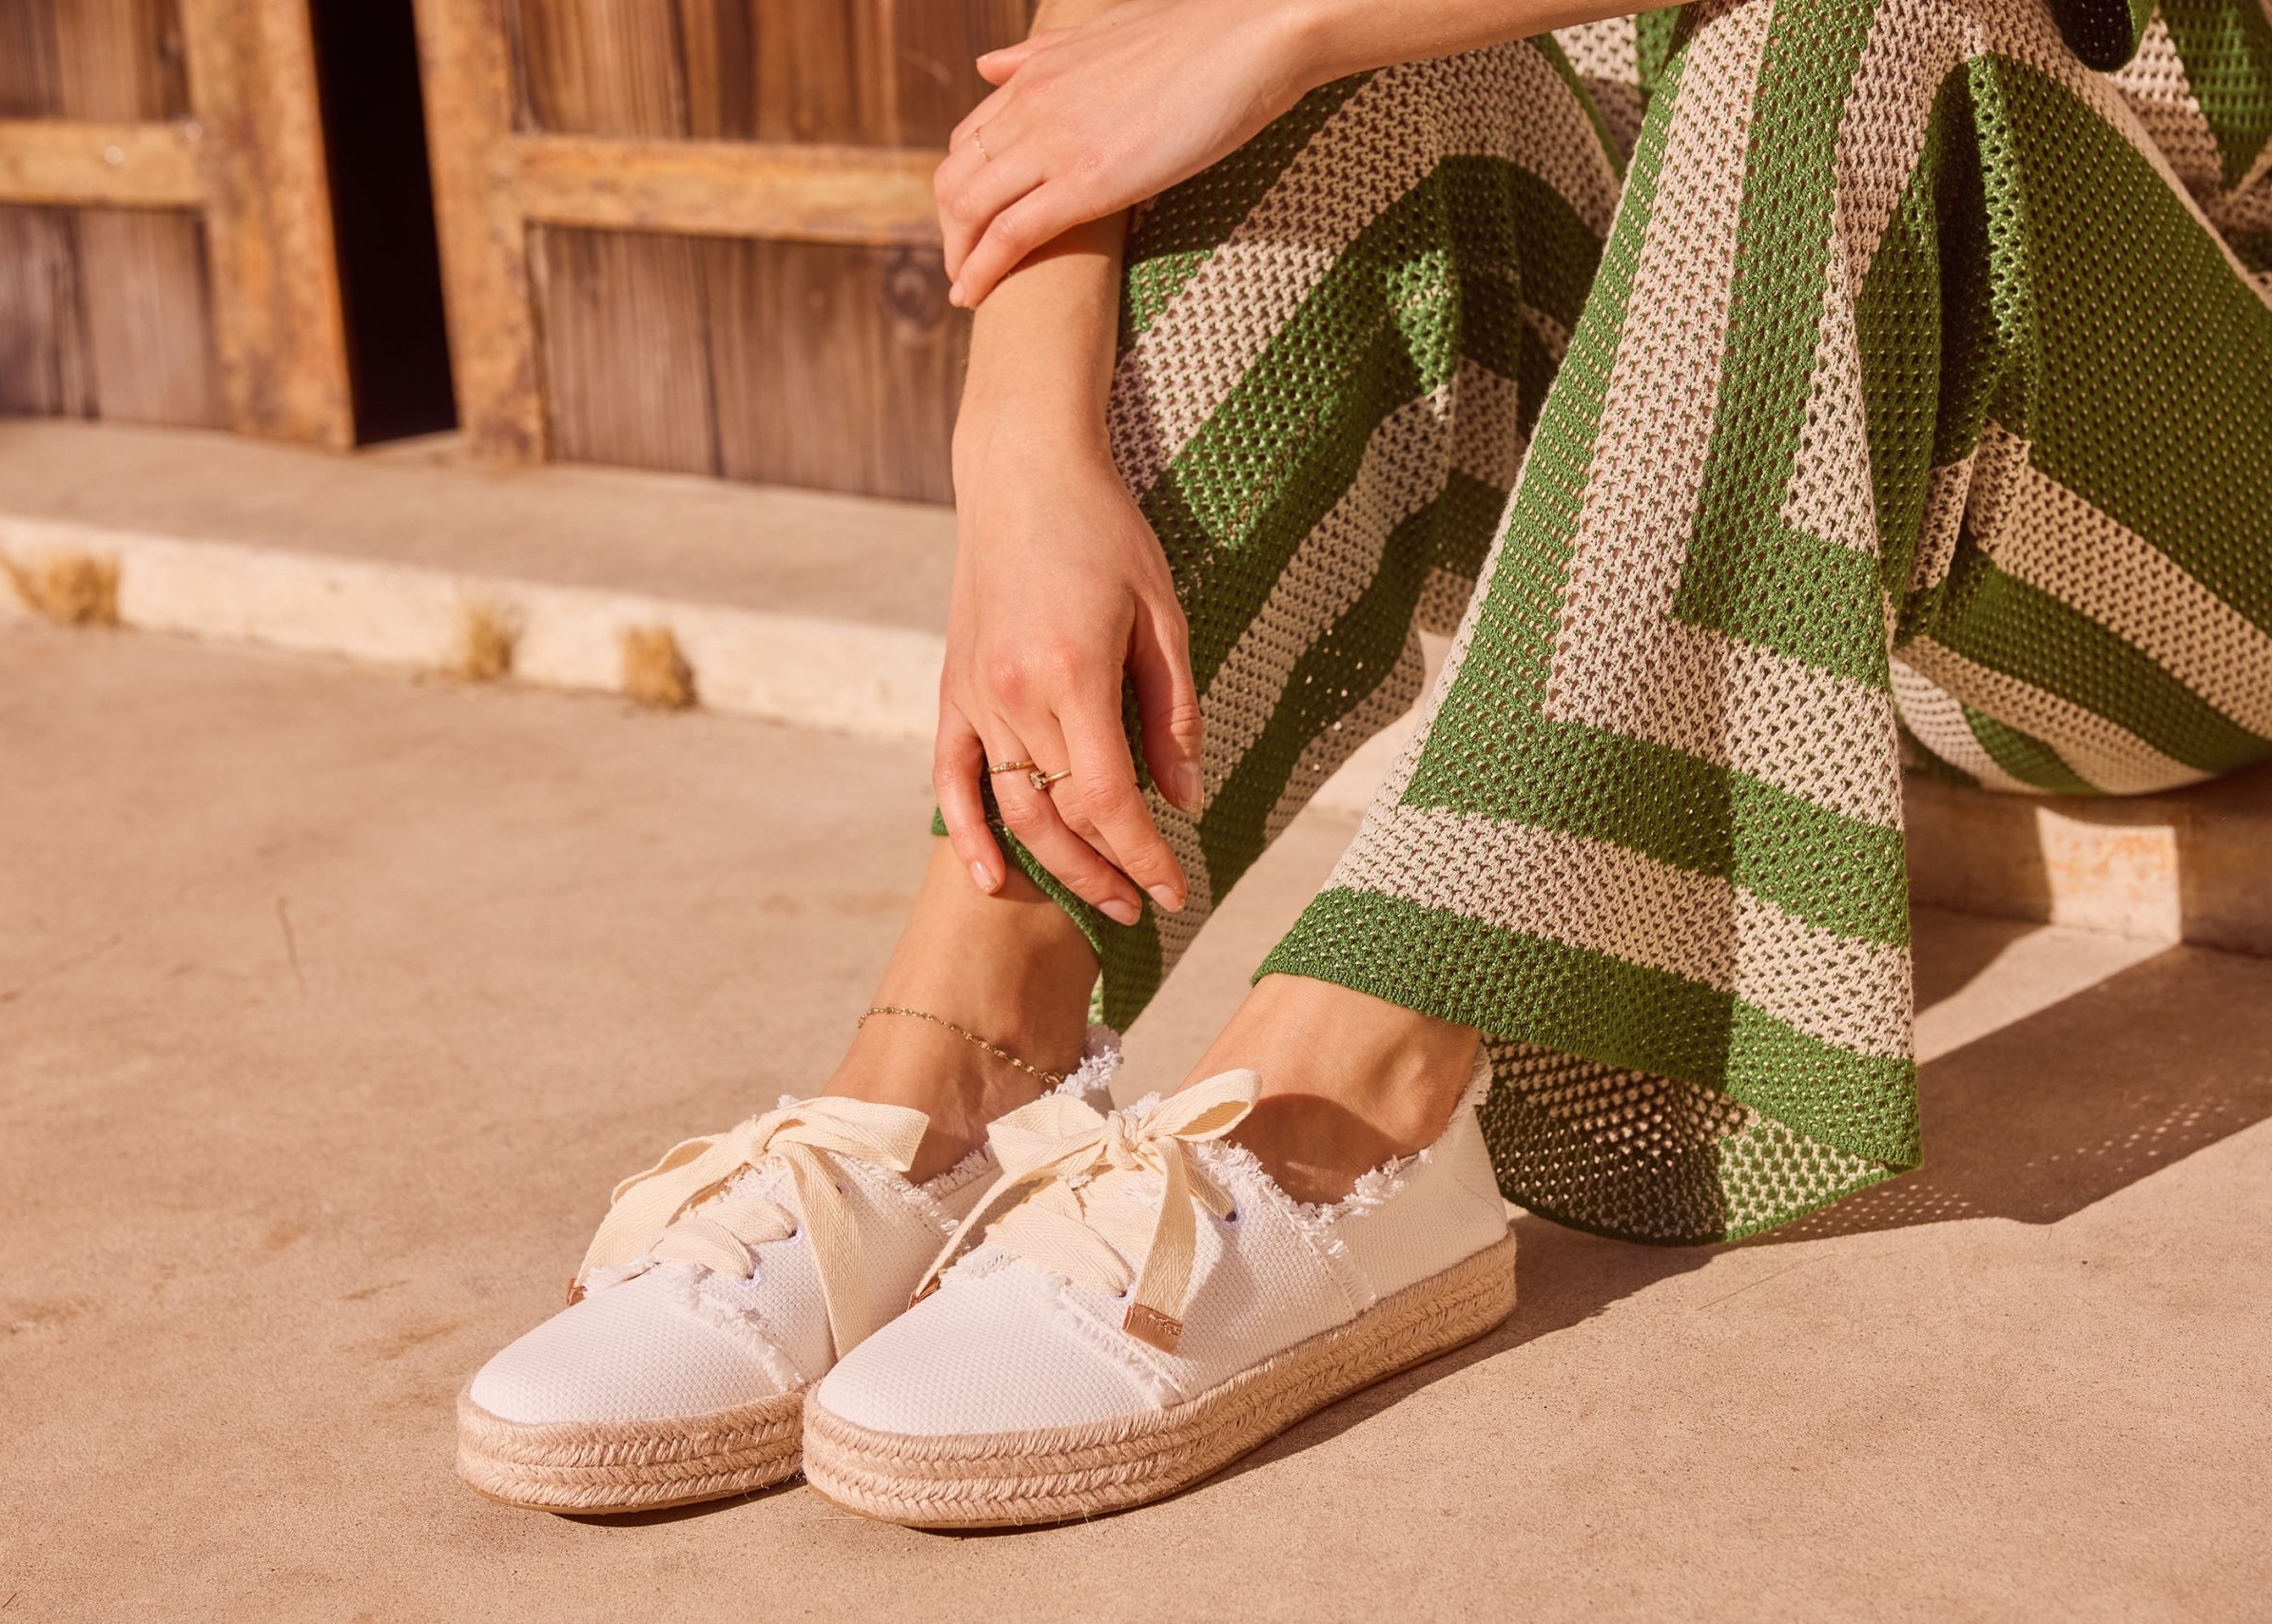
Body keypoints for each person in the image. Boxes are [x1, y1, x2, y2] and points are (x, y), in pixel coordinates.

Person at [456, 0, 2272, 1522]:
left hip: (2168, 511)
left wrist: (1283, 21)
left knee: (1837, 41)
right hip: (1777, 437)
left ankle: (1355, 1103)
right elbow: (1098, 65)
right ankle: (952, 1067)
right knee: (1317, 96)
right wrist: (1018, 462)